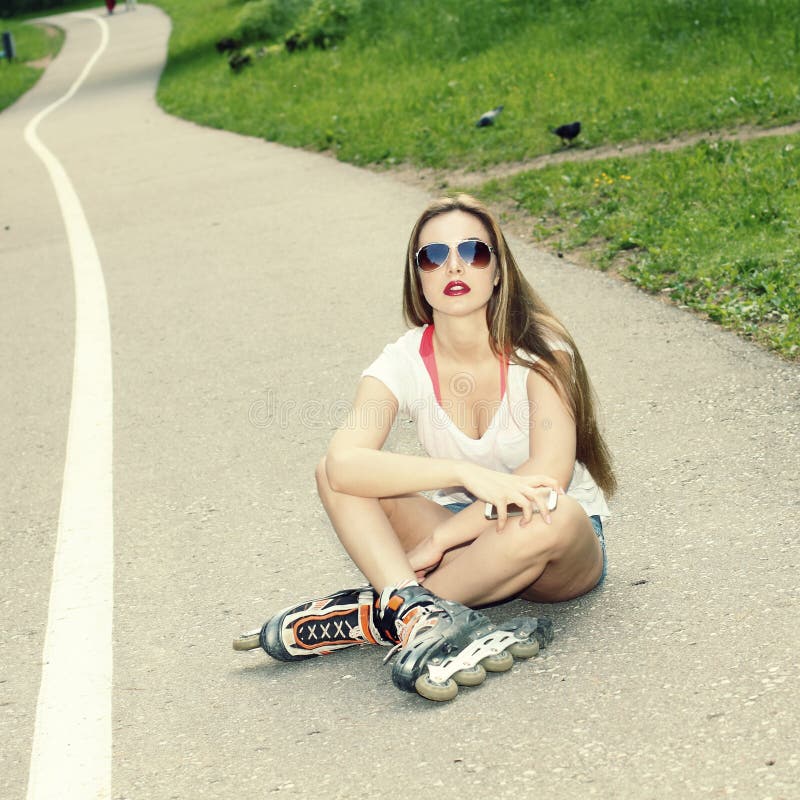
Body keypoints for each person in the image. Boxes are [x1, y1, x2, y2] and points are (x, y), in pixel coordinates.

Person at [235, 194, 616, 700]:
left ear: (498, 269)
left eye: (473, 252)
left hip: (546, 545)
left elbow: (548, 475)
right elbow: (345, 462)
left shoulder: (542, 348)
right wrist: (460, 473)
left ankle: (383, 612)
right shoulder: (403, 361)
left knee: (554, 511)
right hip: (461, 527)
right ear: (418, 276)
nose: (453, 266)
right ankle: (417, 614)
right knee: (332, 472)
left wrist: (441, 541)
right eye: (432, 256)